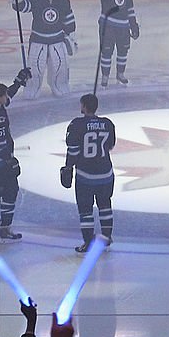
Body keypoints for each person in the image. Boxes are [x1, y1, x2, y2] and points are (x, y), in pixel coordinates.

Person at [61, 93, 117, 253]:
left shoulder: (76, 125)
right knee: (105, 205)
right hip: (106, 174)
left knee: (85, 210)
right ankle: (106, 237)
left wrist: (68, 167)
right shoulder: (108, 124)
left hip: (85, 176)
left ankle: (88, 242)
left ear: (84, 106)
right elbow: (110, 145)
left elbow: (73, 150)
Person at [0, 68, 32, 239]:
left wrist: (18, 81)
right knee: (10, 190)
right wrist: (11, 160)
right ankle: (4, 228)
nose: (6, 98)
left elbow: (8, 95)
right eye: (3, 96)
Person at [10, 0, 76, 97]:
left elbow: (68, 18)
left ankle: (60, 86)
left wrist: (71, 35)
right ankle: (32, 89)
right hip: (38, 39)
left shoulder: (63, 0)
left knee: (60, 65)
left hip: (57, 39)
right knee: (35, 67)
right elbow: (23, 6)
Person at [94, 0, 139, 87]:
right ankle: (105, 76)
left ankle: (120, 74)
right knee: (107, 51)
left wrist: (134, 25)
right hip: (107, 25)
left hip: (123, 27)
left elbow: (130, 10)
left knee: (123, 51)